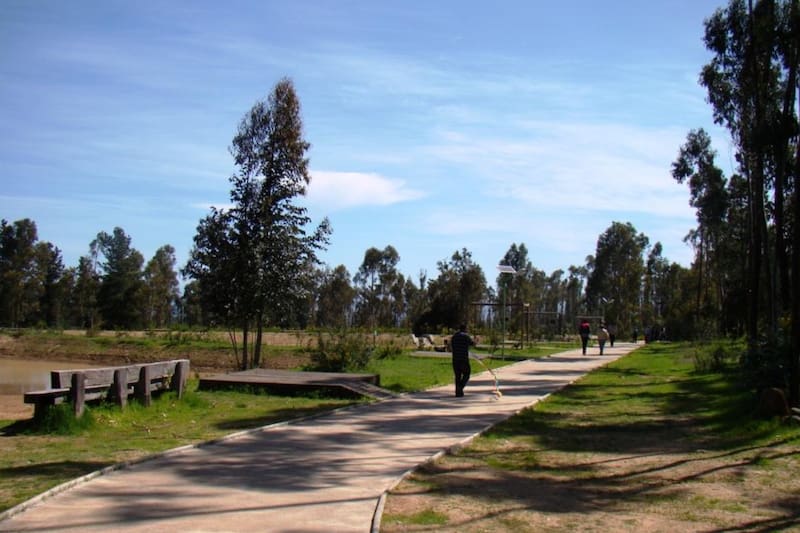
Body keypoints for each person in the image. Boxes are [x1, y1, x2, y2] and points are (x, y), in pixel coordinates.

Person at [450, 323, 475, 397]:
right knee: (467, 374)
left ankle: (458, 392)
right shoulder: (466, 336)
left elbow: (452, 346)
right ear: (465, 329)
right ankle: (460, 388)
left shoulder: (454, 337)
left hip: (455, 359)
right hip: (463, 359)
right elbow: (472, 344)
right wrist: (475, 341)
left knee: (457, 376)